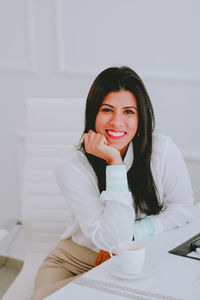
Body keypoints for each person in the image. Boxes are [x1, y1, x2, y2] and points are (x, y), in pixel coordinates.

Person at [30, 66, 193, 300]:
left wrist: (134, 233)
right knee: (40, 297)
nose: (117, 122)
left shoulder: (163, 150)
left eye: (129, 112)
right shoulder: (71, 167)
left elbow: (182, 208)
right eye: (107, 110)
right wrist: (114, 163)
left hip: (129, 258)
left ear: (141, 117)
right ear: (93, 114)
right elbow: (113, 239)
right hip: (74, 259)